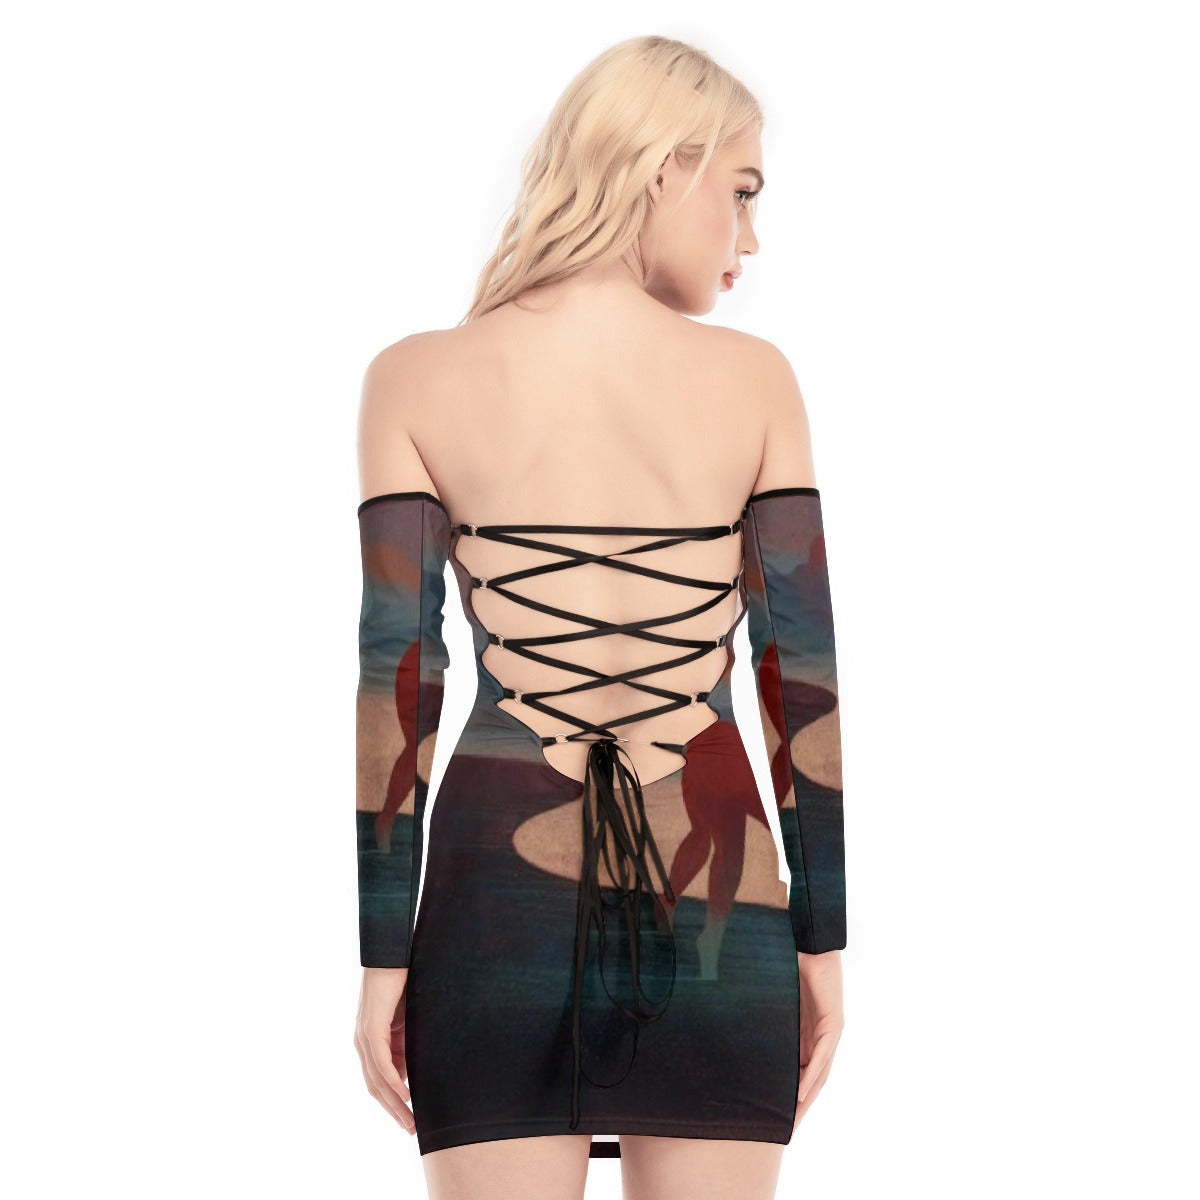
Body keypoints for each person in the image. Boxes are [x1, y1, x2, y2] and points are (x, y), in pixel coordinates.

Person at [351, 34, 846, 1200]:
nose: (750, 239)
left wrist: (382, 961)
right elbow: (801, 687)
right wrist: (822, 941)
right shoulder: (757, 382)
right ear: (665, 168)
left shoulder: (413, 378)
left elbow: (396, 689)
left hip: (488, 915)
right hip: (724, 908)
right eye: (742, 191)